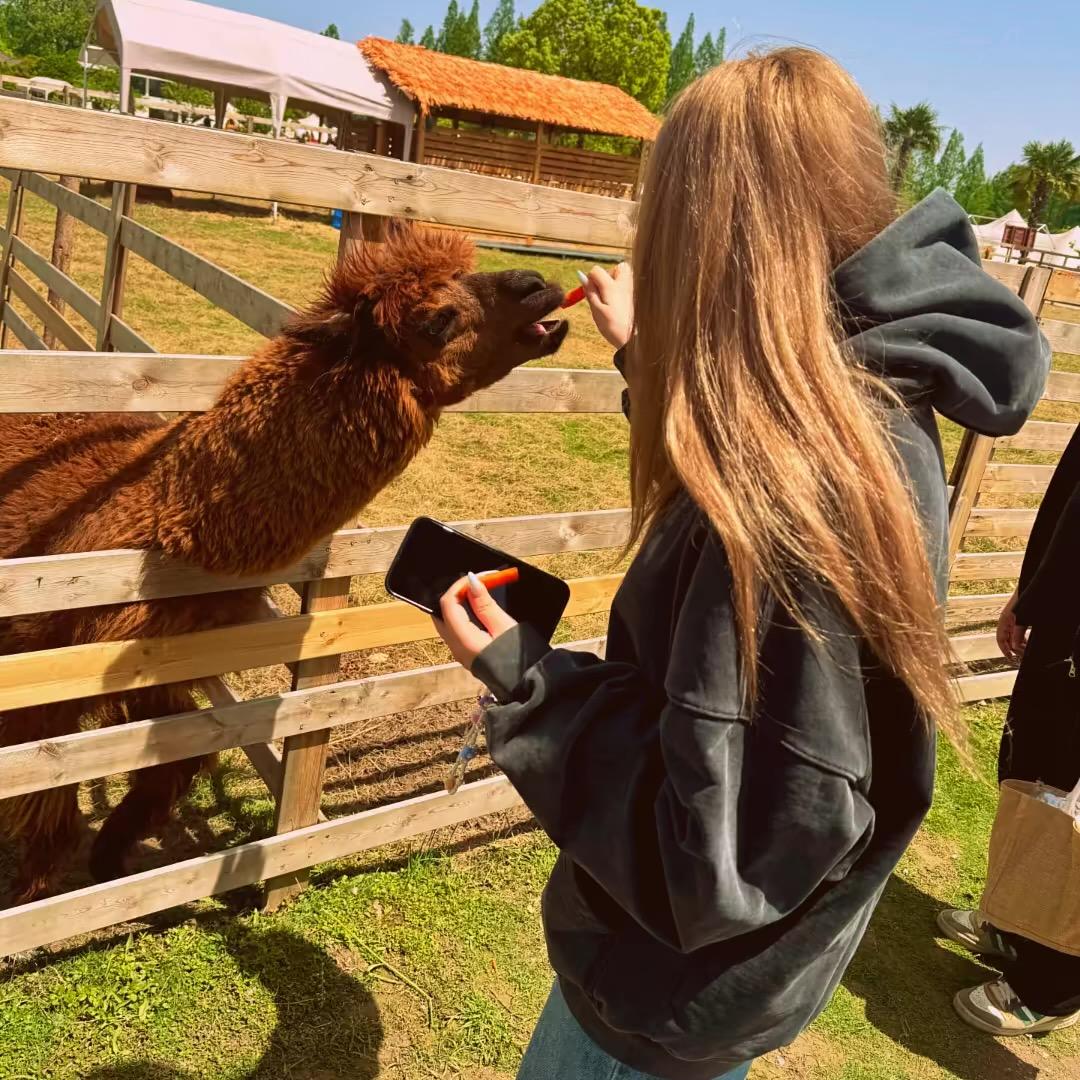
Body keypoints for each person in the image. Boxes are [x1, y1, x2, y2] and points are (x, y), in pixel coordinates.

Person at [434, 48, 1049, 1080]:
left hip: (660, 1006)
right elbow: (744, 442)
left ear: (708, 230)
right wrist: (645, 359)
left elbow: (716, 859)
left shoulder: (801, 496)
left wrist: (533, 684)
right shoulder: (867, 384)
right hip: (706, 985)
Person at [939, 423, 1080, 1036]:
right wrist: (1035, 595)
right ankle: (1015, 923)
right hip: (1068, 615)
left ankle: (1051, 989)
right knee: (1034, 776)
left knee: (1074, 808)